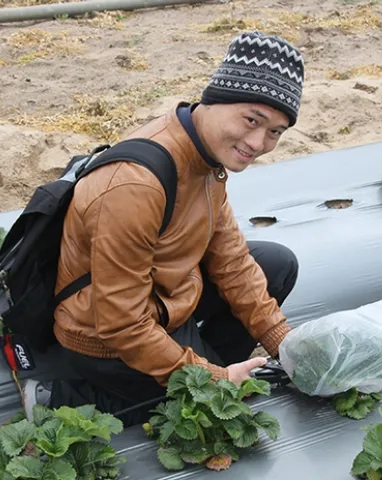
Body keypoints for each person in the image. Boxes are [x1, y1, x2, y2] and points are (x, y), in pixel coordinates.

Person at [21, 30, 304, 427]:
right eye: (252, 119)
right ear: (216, 99)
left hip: (161, 298)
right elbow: (120, 322)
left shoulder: (204, 155)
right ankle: (60, 398)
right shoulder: (135, 185)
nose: (258, 142)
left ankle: (202, 365)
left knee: (276, 264)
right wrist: (213, 379)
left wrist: (284, 342)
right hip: (102, 335)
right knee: (206, 412)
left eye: (275, 131)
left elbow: (232, 260)